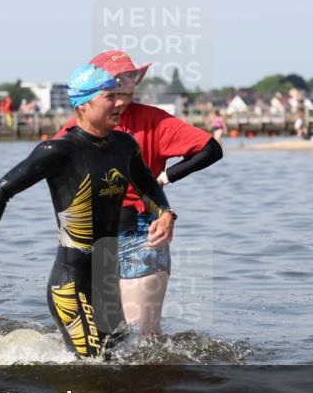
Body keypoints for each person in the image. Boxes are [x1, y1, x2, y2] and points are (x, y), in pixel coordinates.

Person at [0, 64, 176, 357]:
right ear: (83, 104)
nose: (120, 103)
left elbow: (148, 187)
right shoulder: (59, 151)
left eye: (120, 95)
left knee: (119, 363)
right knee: (96, 368)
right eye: (109, 97)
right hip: (71, 282)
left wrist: (165, 213)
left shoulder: (124, 146)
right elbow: (2, 190)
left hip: (106, 280)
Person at [55, 51, 222, 335]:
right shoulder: (75, 130)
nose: (121, 101)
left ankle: (161, 374)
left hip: (142, 235)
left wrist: (164, 179)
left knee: (140, 336)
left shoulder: (153, 121)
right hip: (93, 241)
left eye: (127, 93)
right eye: (113, 93)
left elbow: (210, 149)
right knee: (102, 338)